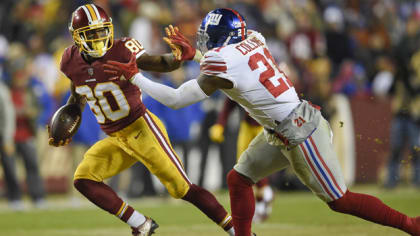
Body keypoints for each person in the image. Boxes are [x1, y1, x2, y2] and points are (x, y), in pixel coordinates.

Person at [104, 8, 420, 236]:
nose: (205, 45)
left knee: (340, 200)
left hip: (299, 130)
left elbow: (176, 100)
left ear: (223, 39)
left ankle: (411, 225)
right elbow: (233, 69)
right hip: (279, 128)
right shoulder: (253, 37)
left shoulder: (221, 60)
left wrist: (135, 77)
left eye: (210, 39)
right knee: (238, 179)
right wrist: (193, 58)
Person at [49, 4, 235, 236]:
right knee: (83, 179)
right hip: (116, 138)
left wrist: (177, 58)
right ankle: (140, 223)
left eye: (102, 31)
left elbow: (158, 63)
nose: (98, 38)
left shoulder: (122, 49)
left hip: (141, 129)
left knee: (183, 188)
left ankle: (237, 230)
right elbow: (78, 93)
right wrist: (67, 122)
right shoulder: (69, 60)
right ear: (77, 37)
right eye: (91, 33)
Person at [209, 98, 274, 222]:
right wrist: (220, 124)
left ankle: (263, 196)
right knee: (242, 167)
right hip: (247, 125)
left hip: (266, 126)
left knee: (258, 164)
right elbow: (229, 103)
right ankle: (262, 198)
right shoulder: (239, 81)